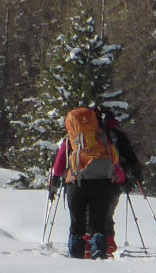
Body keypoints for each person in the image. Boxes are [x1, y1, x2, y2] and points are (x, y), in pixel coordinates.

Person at [49, 105, 123, 259]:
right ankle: (100, 256)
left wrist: (55, 181)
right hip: (102, 183)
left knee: (77, 225)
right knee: (98, 224)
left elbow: (59, 165)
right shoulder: (102, 137)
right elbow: (114, 158)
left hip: (77, 183)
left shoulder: (71, 140)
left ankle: (77, 259)